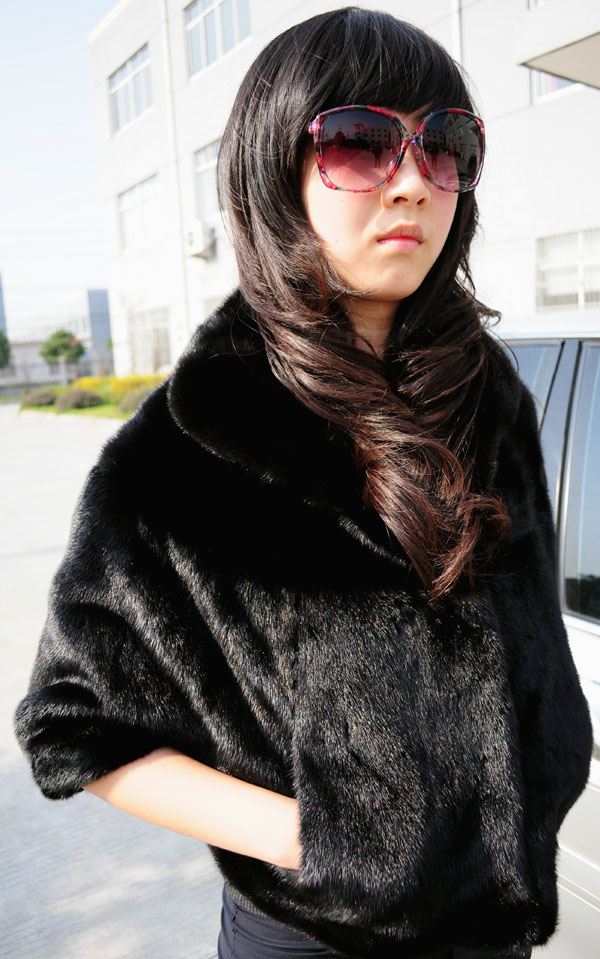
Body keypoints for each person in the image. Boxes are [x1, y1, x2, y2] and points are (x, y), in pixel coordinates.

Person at [14, 6, 593, 959]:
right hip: (317, 937)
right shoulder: (189, 445)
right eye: (360, 142)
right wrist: (322, 840)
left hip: (496, 924)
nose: (412, 181)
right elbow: (72, 725)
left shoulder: (488, 395)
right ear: (272, 171)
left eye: (445, 145)